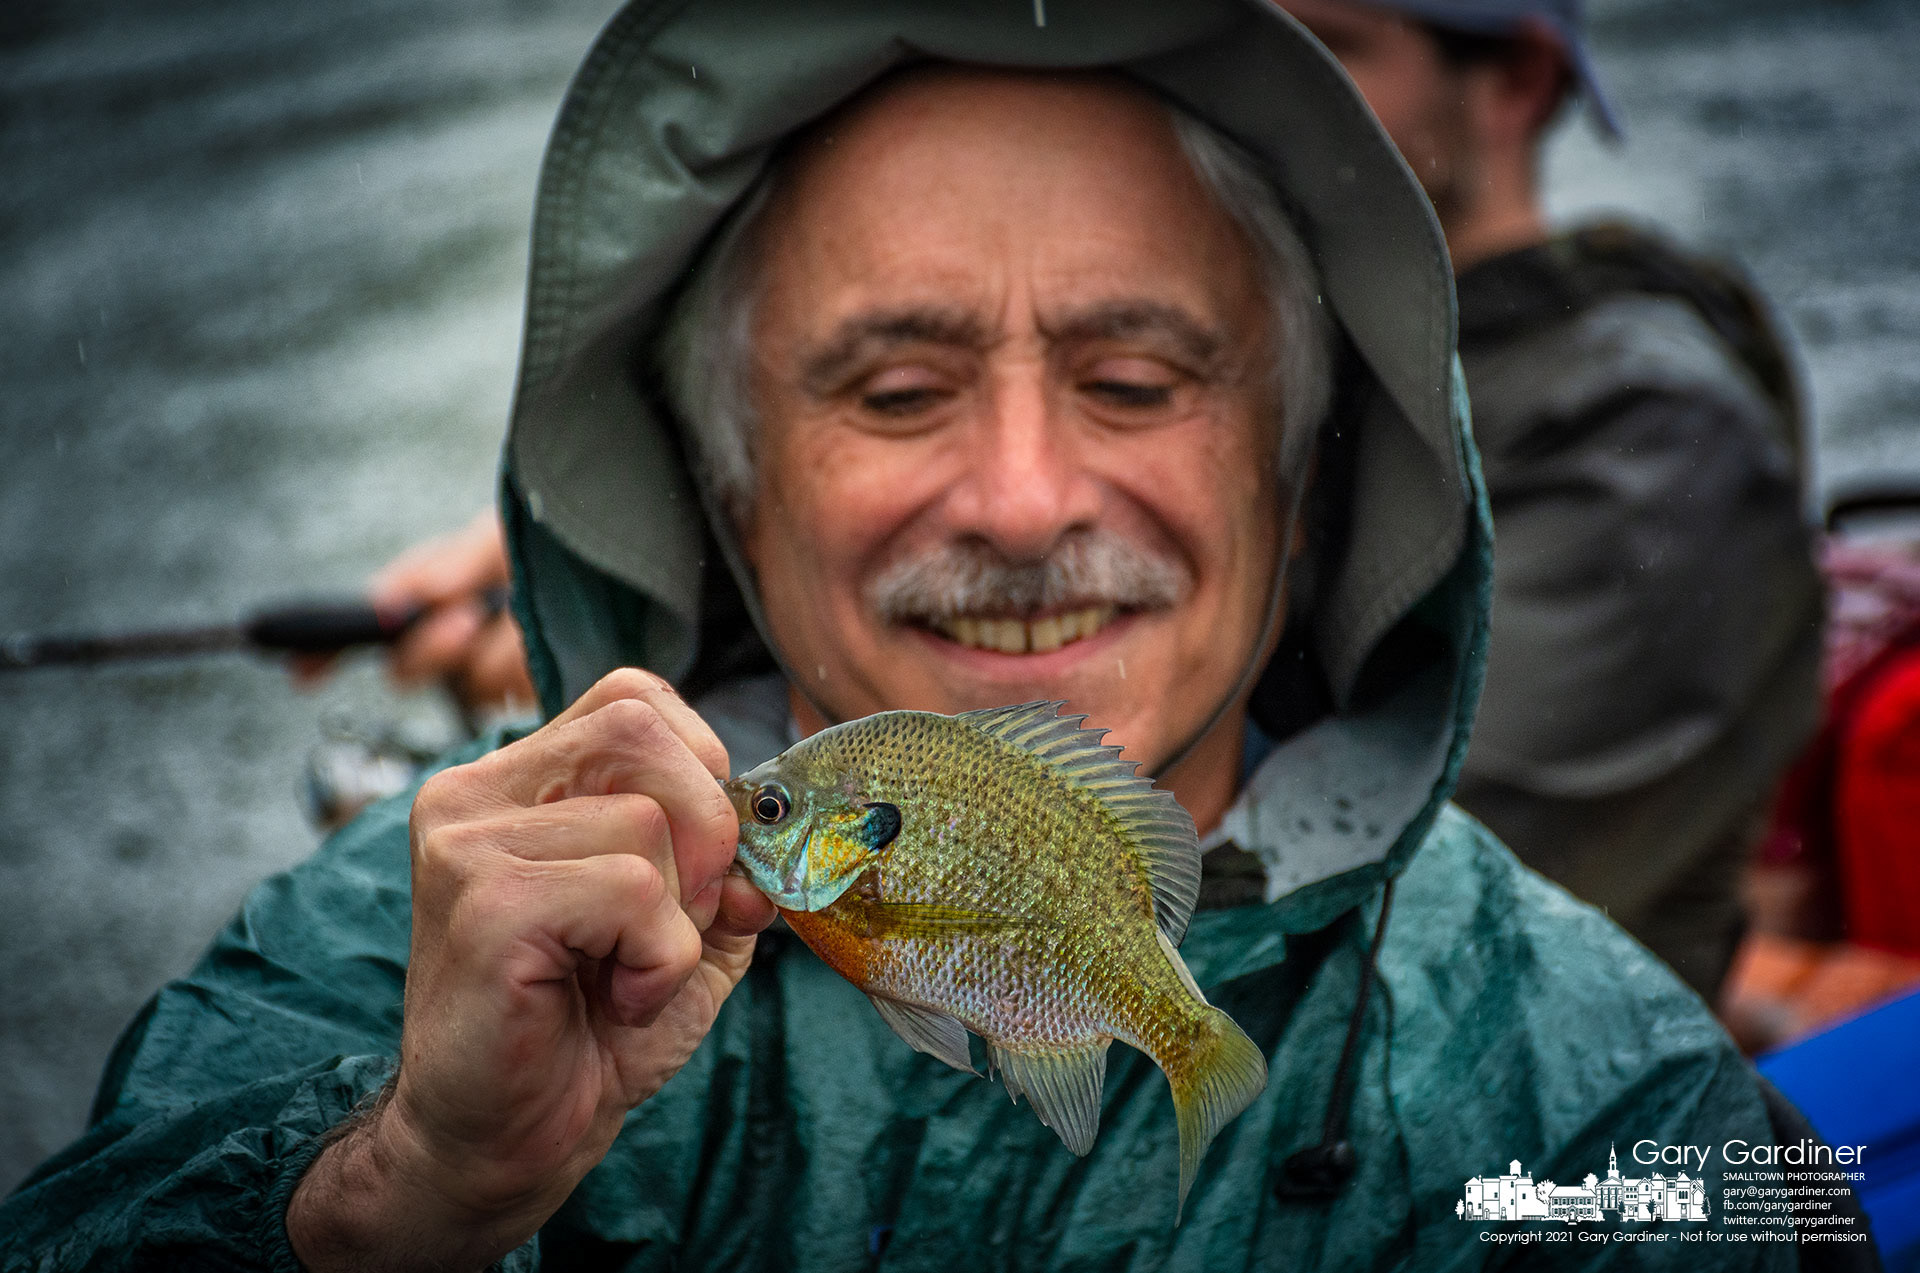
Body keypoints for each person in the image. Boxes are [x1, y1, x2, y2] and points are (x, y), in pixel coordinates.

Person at [0, 2, 1844, 1267]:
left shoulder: (1608, 1092)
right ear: (730, 496)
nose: (1027, 497)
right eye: (893, 388)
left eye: (1136, 379)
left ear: (1302, 479)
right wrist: (387, 1191)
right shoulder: (385, 951)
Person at [1275, 0, 1825, 1000]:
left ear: (1518, 83)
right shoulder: (1330, 372)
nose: (1258, 93)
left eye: (1321, 47)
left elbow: (1399, 885)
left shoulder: (1649, 444)